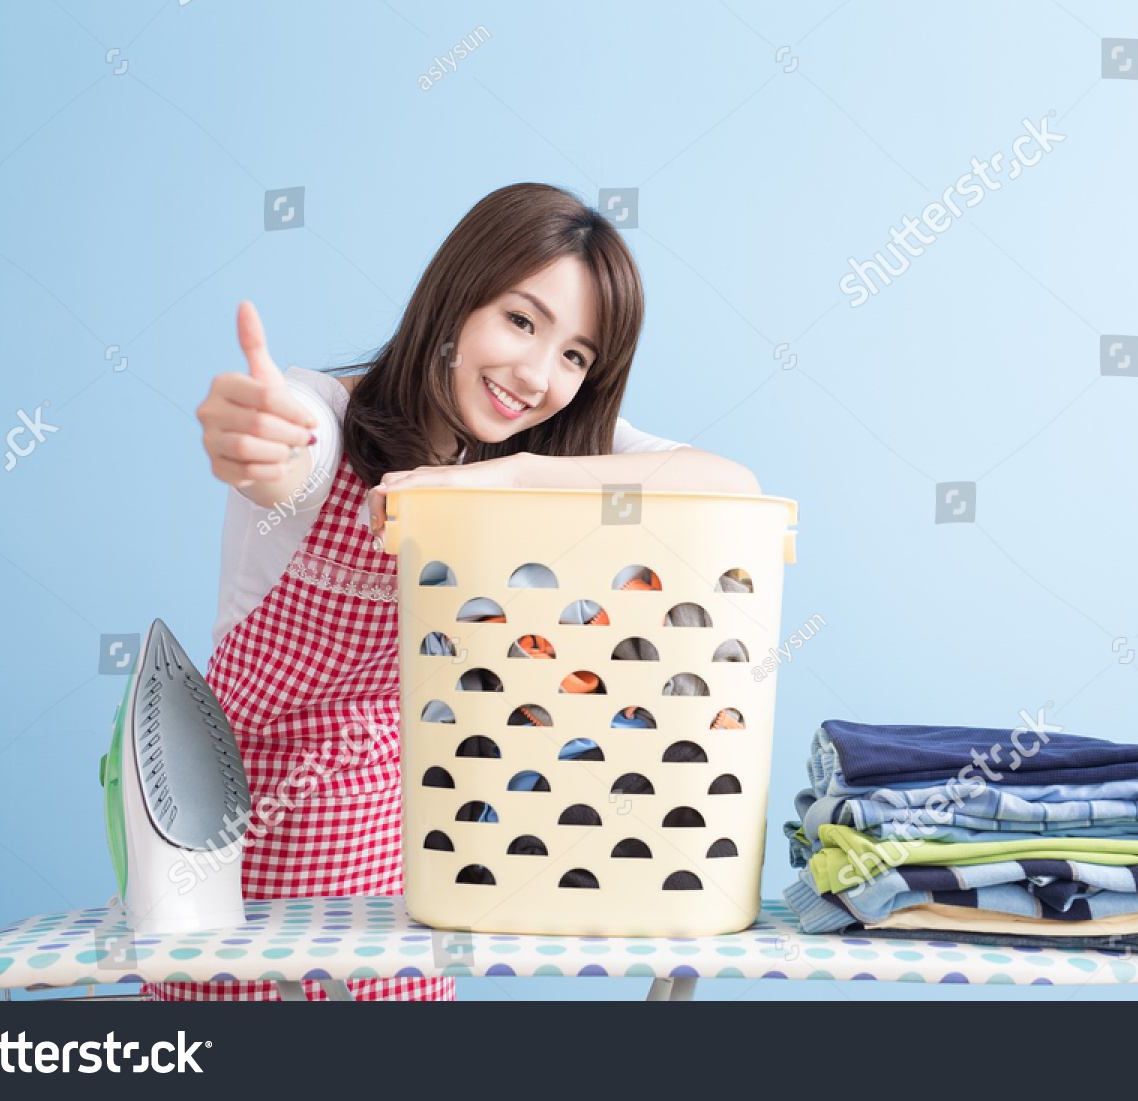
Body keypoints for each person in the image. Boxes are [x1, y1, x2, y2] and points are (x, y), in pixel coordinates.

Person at [147, 182, 759, 1002]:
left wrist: (528, 474)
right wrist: (257, 437)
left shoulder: (534, 457)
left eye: (576, 354)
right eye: (520, 319)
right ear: (457, 298)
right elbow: (290, 454)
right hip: (242, 874)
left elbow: (728, 483)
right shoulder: (331, 425)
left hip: (403, 881)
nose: (538, 374)